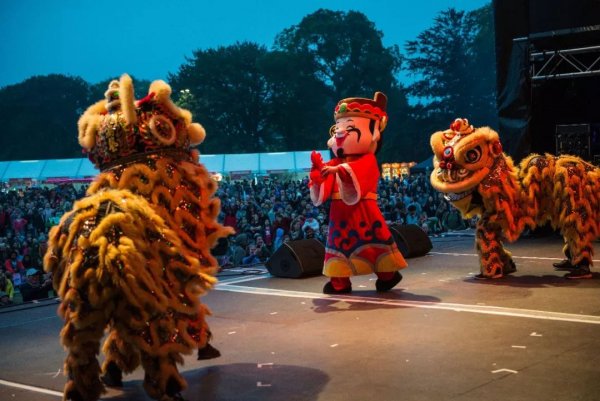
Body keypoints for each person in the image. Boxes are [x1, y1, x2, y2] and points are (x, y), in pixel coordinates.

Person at [309, 92, 407, 294]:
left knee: (373, 242)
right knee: (337, 244)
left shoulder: (367, 159)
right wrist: (318, 175)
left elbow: (359, 174)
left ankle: (387, 274)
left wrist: (339, 171)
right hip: (340, 212)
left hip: (363, 210)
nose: (340, 133)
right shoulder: (335, 161)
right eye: (338, 128)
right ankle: (340, 282)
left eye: (350, 128)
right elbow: (325, 179)